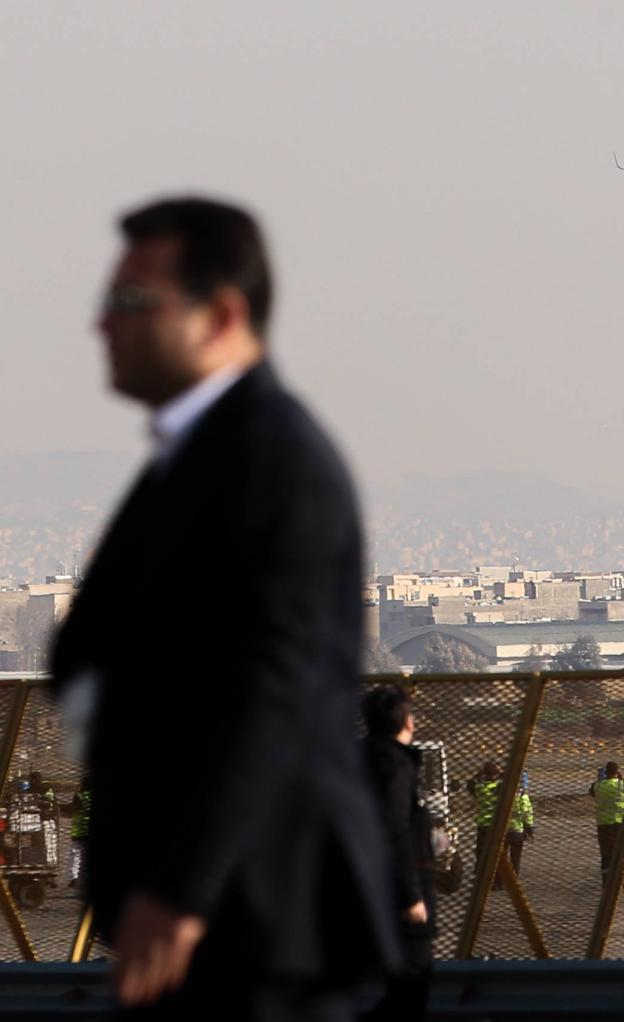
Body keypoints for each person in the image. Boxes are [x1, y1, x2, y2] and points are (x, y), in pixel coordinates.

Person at [50, 196, 396, 1018]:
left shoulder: (273, 463)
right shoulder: (197, 456)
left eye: (132, 303)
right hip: (207, 923)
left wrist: (177, 886)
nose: (104, 325)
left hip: (256, 926)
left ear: (223, 316)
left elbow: (272, 694)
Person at [359, 686, 434, 1022]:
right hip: (400, 894)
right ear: (406, 721)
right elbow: (395, 832)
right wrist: (411, 895)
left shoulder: (361, 760)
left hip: (370, 887)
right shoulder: (393, 767)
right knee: (411, 988)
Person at [471, 762, 534, 887]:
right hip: (516, 830)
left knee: (496, 857)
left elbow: (472, 786)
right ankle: (512, 882)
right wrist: (529, 828)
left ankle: (495, 881)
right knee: (515, 859)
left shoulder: (490, 791)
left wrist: (480, 774)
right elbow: (527, 812)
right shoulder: (520, 795)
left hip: (495, 828)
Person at [589, 763, 624, 876]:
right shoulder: (621, 785)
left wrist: (600, 780)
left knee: (606, 855)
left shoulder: (599, 785)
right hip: (619, 824)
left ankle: (606, 879)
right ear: (617, 771)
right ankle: (623, 877)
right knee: (622, 851)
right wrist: (623, 778)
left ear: (606, 772)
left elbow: (591, 791)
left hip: (603, 825)